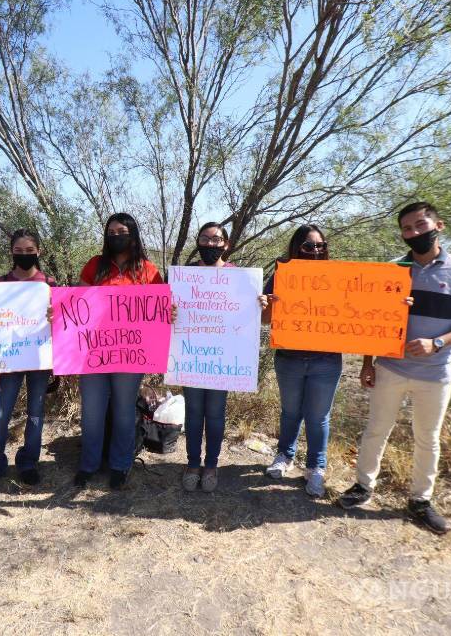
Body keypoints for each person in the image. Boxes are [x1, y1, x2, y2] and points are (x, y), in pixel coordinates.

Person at [339, 201, 451, 534]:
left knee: (427, 439)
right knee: (376, 429)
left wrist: (437, 343)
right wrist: (367, 363)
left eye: (420, 225)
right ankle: (363, 486)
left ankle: (420, 501)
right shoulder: (392, 270)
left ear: (439, 226)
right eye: (407, 229)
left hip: (435, 373)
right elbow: (372, 322)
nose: (414, 233)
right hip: (390, 367)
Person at [75, 212, 168, 490]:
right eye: (111, 233)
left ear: (133, 235)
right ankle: (88, 465)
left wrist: (169, 311)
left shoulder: (148, 270)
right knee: (92, 411)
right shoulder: (95, 265)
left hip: (130, 353)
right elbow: (78, 303)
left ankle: (120, 464)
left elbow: (159, 310)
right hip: (93, 352)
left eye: (121, 232)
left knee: (124, 410)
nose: (116, 237)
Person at [180, 222, 269, 493]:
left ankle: (211, 465)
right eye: (204, 239)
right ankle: (193, 464)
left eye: (216, 239)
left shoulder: (238, 277)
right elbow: (172, 311)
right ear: (197, 242)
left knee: (216, 414)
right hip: (192, 355)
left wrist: (260, 305)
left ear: (226, 244)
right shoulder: (186, 274)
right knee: (194, 414)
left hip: (222, 361)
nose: (209, 244)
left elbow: (250, 317)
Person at [260, 225, 343, 497]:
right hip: (290, 358)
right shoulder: (282, 275)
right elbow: (264, 317)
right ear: (297, 248)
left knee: (318, 417)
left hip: (326, 361)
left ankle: (316, 467)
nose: (316, 251)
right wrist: (266, 302)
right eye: (309, 246)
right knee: (290, 412)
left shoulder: (340, 278)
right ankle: (284, 456)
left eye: (320, 246)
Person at [0, 229, 57, 487]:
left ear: (38, 251)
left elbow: (65, 323)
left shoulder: (50, 285)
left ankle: (29, 461)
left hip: (40, 359)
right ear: (11, 252)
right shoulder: (0, 284)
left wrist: (56, 317)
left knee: (36, 412)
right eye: (19, 251)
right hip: (8, 360)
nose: (24, 255)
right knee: (0, 412)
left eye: (29, 251)